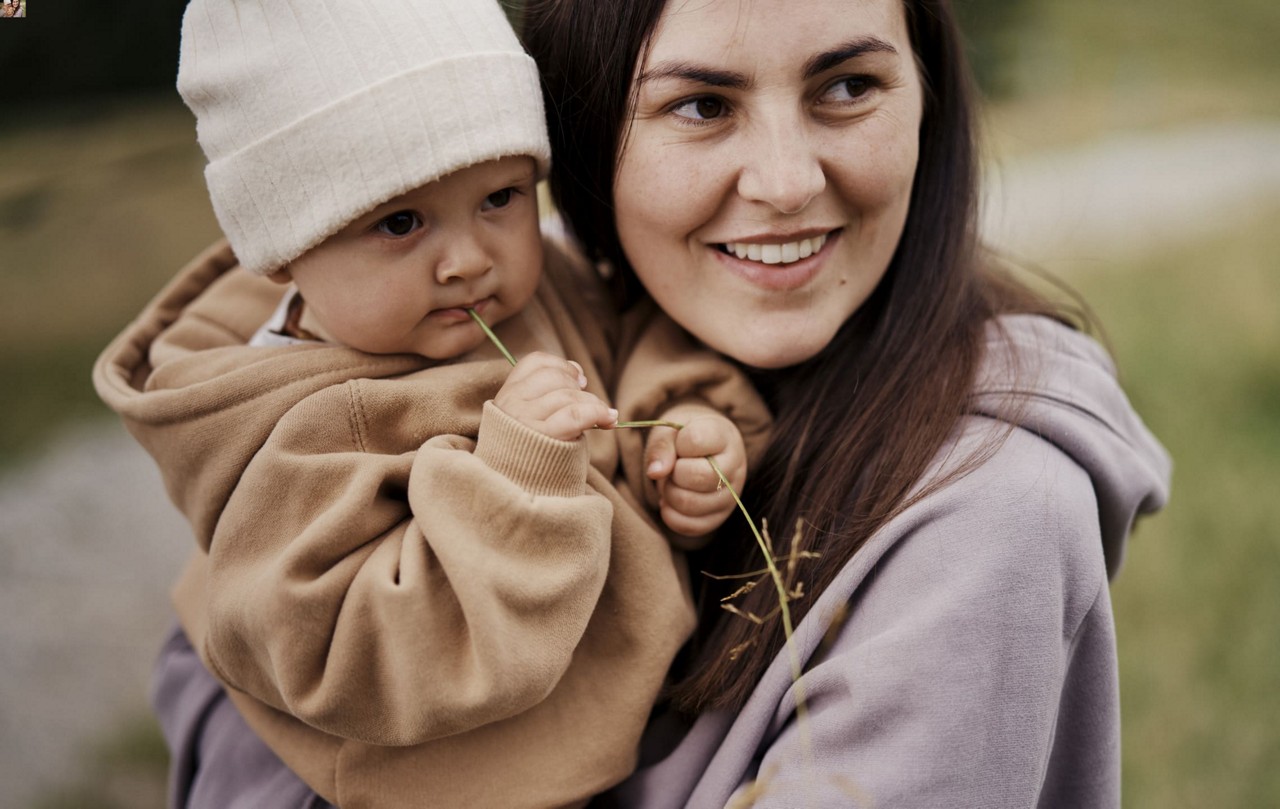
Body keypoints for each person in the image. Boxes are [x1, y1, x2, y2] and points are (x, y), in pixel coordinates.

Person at [122, 0, 1172, 806]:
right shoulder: (303, 418)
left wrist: (696, 424)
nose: (782, 180)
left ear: (931, 93)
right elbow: (251, 653)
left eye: (846, 84)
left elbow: (636, 360)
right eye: (701, 103)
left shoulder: (993, 514)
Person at [92, 1, 770, 807]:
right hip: (437, 777)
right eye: (401, 222)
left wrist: (687, 423)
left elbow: (636, 340)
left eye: (500, 198)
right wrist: (515, 480)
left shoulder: (543, 285)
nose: (467, 260)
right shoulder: (297, 427)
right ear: (283, 252)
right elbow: (358, 649)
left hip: (605, 728)